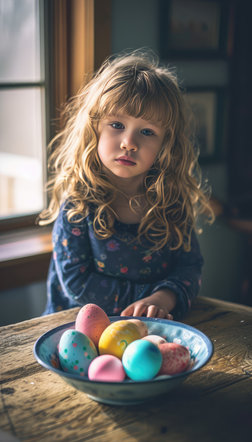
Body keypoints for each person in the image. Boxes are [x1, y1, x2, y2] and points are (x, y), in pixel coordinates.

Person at [39, 50, 214, 320]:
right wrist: (146, 298)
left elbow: (189, 266)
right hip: (77, 333)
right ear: (94, 128)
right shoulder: (79, 206)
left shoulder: (172, 203)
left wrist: (163, 298)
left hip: (151, 328)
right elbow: (76, 282)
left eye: (147, 132)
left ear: (167, 144)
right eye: (117, 124)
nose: (129, 142)